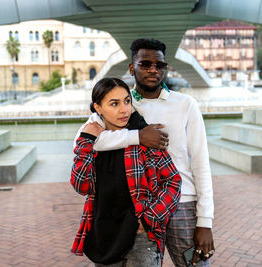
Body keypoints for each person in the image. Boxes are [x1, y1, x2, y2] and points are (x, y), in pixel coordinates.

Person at [77, 38, 215, 266]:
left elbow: (201, 163)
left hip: (183, 204)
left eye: (159, 65)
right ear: (132, 68)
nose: (153, 69)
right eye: (145, 64)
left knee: (195, 264)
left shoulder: (185, 104)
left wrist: (205, 221)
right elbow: (84, 139)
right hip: (137, 209)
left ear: (165, 67)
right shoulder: (121, 103)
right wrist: (138, 136)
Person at [71, 77, 182, 267]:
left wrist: (148, 220)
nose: (124, 110)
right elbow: (82, 186)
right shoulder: (93, 142)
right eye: (114, 104)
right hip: (104, 234)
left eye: (127, 101)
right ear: (98, 108)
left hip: (140, 238)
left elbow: (173, 181)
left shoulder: (146, 138)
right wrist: (86, 142)